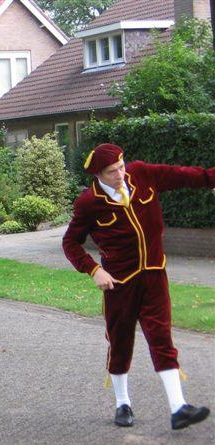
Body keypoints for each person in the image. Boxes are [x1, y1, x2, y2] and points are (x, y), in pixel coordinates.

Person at [62, 143, 213, 430]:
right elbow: (70, 242)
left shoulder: (141, 174)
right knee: (120, 343)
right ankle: (123, 403)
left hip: (154, 275)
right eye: (112, 172)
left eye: (121, 166)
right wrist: (94, 270)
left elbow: (185, 175)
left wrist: (211, 177)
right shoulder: (88, 203)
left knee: (161, 338)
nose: (120, 174)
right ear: (97, 175)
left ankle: (178, 407)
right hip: (119, 284)